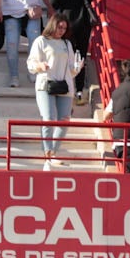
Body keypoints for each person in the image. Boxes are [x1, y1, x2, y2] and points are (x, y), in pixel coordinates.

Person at [28, 12, 83, 170]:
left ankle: (53, 152)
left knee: (64, 120)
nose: (61, 30)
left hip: (64, 85)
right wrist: (40, 66)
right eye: (59, 27)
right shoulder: (41, 41)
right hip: (46, 83)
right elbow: (31, 64)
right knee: (49, 118)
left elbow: (71, 69)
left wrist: (78, 68)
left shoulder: (67, 44)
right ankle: (48, 153)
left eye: (64, 28)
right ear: (53, 25)